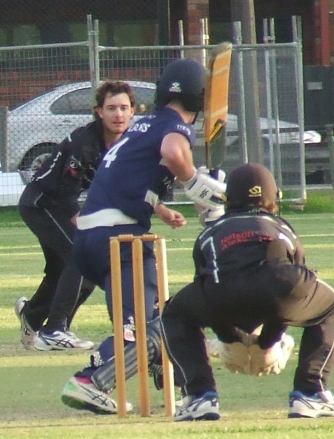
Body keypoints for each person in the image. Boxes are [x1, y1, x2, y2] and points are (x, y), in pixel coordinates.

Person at [60, 58, 226, 413]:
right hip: (119, 238)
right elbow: (173, 154)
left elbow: (149, 178)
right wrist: (201, 188)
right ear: (199, 96)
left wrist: (197, 204)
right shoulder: (174, 126)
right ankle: (91, 379)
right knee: (148, 324)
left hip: (89, 239)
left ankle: (162, 369)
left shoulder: (144, 124)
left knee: (140, 319)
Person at [160, 162, 334, 421]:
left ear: (227, 200)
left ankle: (200, 396)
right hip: (278, 290)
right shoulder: (283, 229)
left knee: (174, 313)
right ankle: (310, 393)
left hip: (222, 294)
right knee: (333, 307)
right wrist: (267, 343)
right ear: (274, 200)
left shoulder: (210, 233)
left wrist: (230, 339)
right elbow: (286, 294)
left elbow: (209, 289)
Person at [14, 81, 137, 351]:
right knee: (80, 257)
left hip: (56, 203)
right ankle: (55, 330)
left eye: (124, 108)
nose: (118, 114)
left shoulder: (126, 144)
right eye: (111, 108)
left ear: (133, 112)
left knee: (68, 269)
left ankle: (33, 316)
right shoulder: (86, 142)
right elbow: (68, 197)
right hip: (41, 202)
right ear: (98, 112)